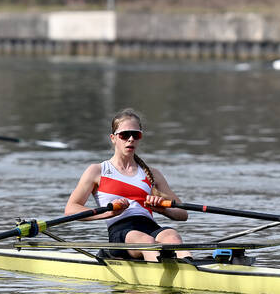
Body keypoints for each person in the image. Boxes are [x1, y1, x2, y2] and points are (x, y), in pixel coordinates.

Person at [65, 108, 190, 261]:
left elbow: (183, 213)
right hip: (120, 231)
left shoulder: (152, 174)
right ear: (113, 138)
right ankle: (157, 277)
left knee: (173, 237)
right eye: (124, 135)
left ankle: (191, 269)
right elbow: (71, 209)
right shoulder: (97, 171)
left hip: (150, 226)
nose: (130, 139)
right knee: (147, 242)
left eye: (135, 135)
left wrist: (162, 209)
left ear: (140, 137)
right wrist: (109, 212)